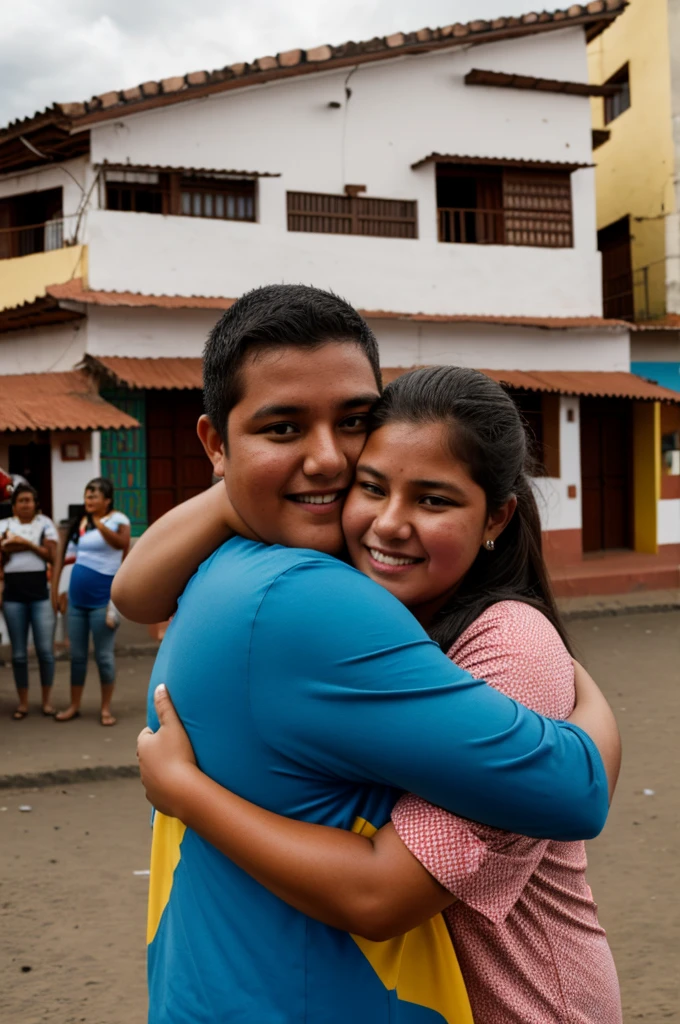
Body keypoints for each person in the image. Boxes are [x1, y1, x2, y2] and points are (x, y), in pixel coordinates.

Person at [113, 285, 616, 1024]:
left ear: (496, 518)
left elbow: (570, 793)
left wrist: (593, 707)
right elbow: (134, 591)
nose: (328, 462)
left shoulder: (507, 642)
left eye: (350, 423)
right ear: (215, 444)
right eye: (283, 429)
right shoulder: (361, 592)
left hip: (530, 1003)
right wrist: (235, 495)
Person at [52, 478, 130, 725]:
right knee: (77, 656)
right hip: (77, 600)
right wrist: (59, 590)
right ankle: (74, 705)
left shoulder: (118, 520)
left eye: (94, 496)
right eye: (87, 496)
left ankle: (105, 709)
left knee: (104, 657)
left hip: (102, 600)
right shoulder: (81, 523)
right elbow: (69, 557)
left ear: (107, 500)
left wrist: (99, 523)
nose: (89, 500)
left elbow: (122, 544)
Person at [0, 483, 58, 719]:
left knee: (45, 651)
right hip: (13, 595)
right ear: (14, 506)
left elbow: (51, 555)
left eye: (29, 500)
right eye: (21, 501)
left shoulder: (45, 524)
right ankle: (23, 703)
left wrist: (24, 544)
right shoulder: (4, 525)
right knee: (19, 655)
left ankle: (47, 701)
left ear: (36, 504)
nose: (25, 505)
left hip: (40, 595)